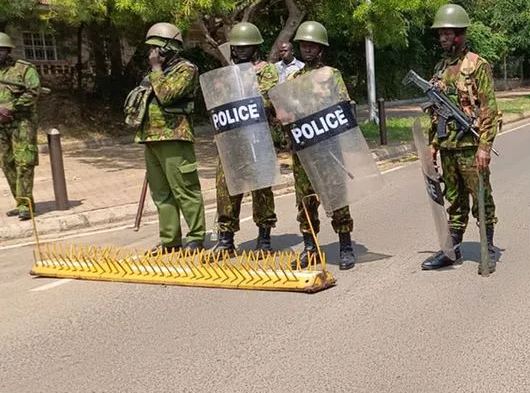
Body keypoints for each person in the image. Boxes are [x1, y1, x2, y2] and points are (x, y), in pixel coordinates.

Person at [420, 4, 501, 273]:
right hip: (447, 145)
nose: (443, 38)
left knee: (480, 198)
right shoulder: (441, 68)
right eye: (440, 34)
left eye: (447, 33)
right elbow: (435, 111)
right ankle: (452, 249)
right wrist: (432, 146)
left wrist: (485, 147)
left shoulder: (477, 66)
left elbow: (489, 109)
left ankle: (487, 249)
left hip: (470, 145)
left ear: (460, 34)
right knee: (453, 198)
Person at [128, 23, 205, 251]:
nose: (152, 54)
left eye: (156, 48)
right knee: (161, 193)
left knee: (185, 190)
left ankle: (196, 237)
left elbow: (167, 95)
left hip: (175, 136)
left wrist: (155, 69)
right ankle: (170, 240)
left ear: (168, 48)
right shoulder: (154, 72)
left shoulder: (186, 69)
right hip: (151, 138)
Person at [287, 21, 358, 270]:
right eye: (304, 45)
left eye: (312, 45)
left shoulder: (331, 75)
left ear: (321, 49)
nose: (307, 49)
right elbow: (286, 112)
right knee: (305, 200)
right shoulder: (294, 78)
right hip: (304, 150)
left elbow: (344, 105)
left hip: (328, 147)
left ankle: (345, 245)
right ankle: (310, 247)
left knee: (336, 197)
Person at [210, 22, 281, 256]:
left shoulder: (266, 70)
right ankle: (226, 239)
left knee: (261, 188)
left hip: (257, 138)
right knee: (226, 188)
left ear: (255, 48)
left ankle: (264, 237)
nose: (240, 50)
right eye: (237, 47)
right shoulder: (226, 73)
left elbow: (268, 98)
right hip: (231, 139)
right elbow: (217, 101)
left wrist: (243, 83)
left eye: (246, 47)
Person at [0, 32, 41, 221]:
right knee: (7, 163)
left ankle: (26, 204)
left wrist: (11, 107)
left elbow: (33, 92)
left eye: (1, 50)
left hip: (22, 123)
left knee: (24, 162)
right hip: (1, 125)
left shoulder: (23, 69)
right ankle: (19, 200)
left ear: (8, 51)